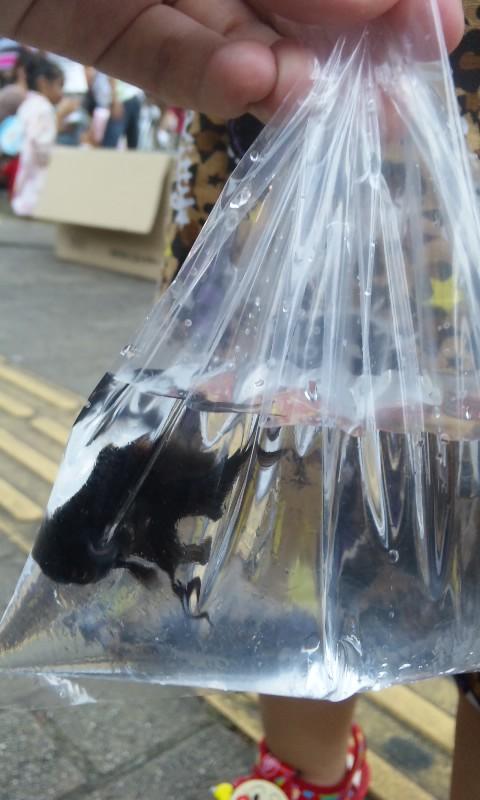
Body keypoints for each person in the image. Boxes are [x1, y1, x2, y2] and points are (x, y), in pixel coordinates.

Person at [0, 2, 477, 799]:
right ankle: (307, 776)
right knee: (279, 499)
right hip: (285, 113)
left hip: (414, 151)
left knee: (440, 499)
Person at [11, 54, 76, 216]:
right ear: (43, 83)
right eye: (59, 86)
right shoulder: (45, 109)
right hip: (35, 172)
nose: (61, 93)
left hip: (23, 165)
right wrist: (59, 117)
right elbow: (43, 147)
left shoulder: (28, 103)